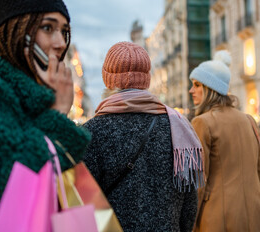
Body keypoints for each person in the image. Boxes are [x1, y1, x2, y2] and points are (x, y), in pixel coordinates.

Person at [0, 0, 90, 230]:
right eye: (48, 28)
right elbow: (9, 195)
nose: (61, 42)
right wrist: (59, 112)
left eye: (64, 31)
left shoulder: (30, 91)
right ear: (15, 28)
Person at [83, 42, 203, 232]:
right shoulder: (178, 128)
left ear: (108, 80)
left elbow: (83, 206)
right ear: (146, 80)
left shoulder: (92, 132)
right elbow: (189, 206)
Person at [189, 50, 260, 232]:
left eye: (197, 85)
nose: (191, 90)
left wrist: (190, 223)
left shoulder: (202, 122)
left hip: (219, 218)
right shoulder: (248, 120)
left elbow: (198, 183)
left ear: (211, 89)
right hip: (256, 215)